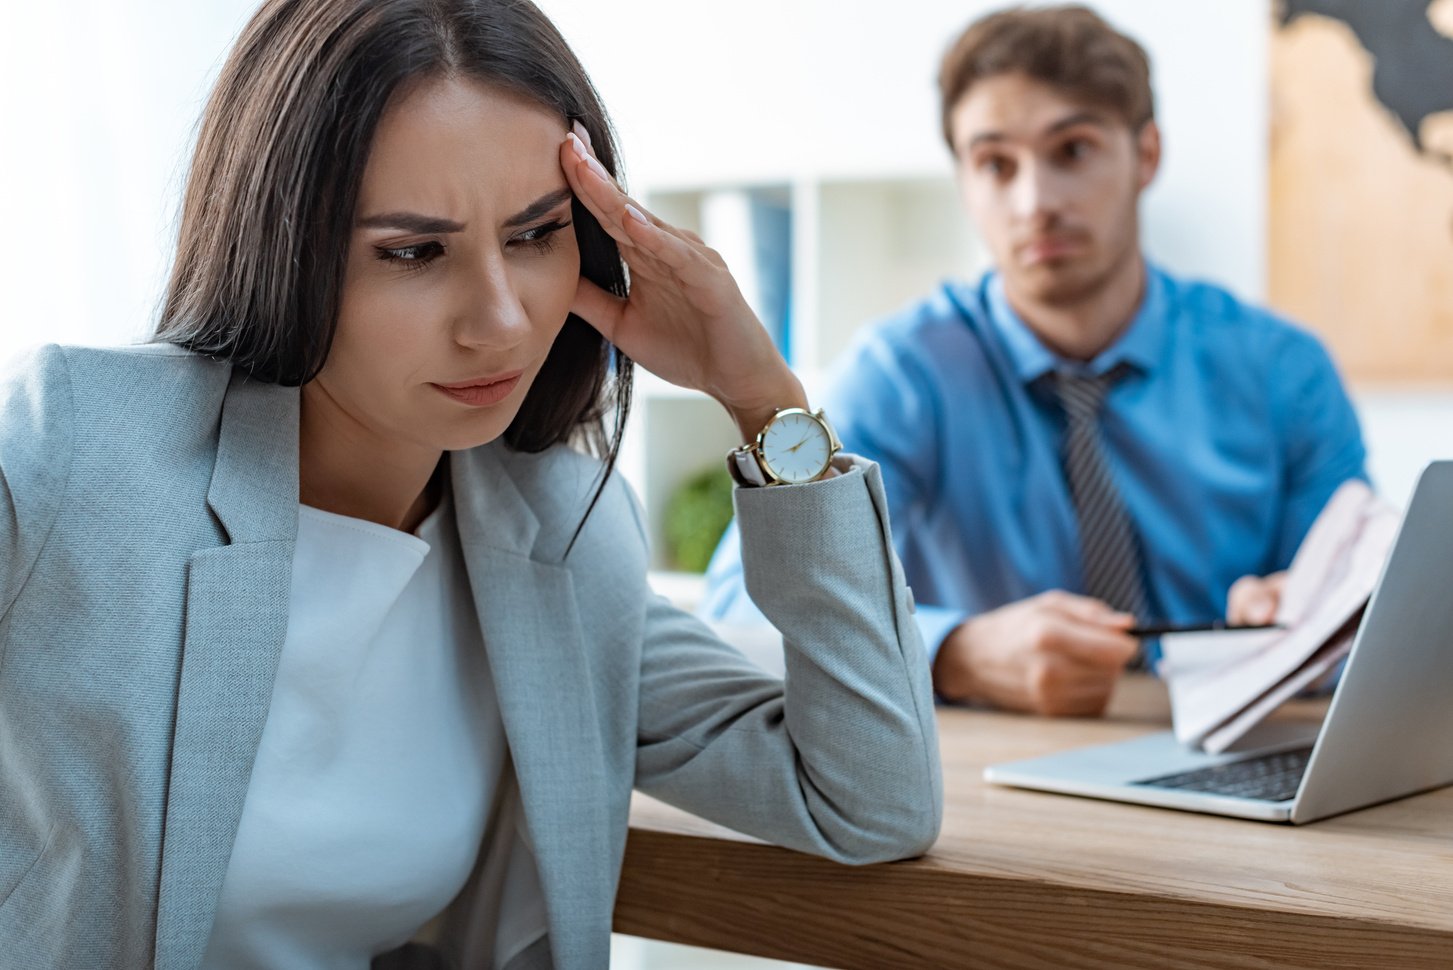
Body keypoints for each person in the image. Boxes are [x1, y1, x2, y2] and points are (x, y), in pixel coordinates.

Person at [0, 2, 942, 967]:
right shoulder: (75, 449)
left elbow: (868, 798)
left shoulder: (560, 529)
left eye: (536, 234)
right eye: (413, 252)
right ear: (278, 249)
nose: (499, 321)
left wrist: (762, 401)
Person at [701, 4, 1367, 718]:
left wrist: (1313, 620)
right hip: (997, 775)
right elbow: (740, 608)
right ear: (963, 180)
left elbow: (1366, 612)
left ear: (1145, 155)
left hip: (1232, 754)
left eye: (1072, 151)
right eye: (994, 164)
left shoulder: (1282, 369)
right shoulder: (904, 374)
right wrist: (953, 651)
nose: (1034, 202)